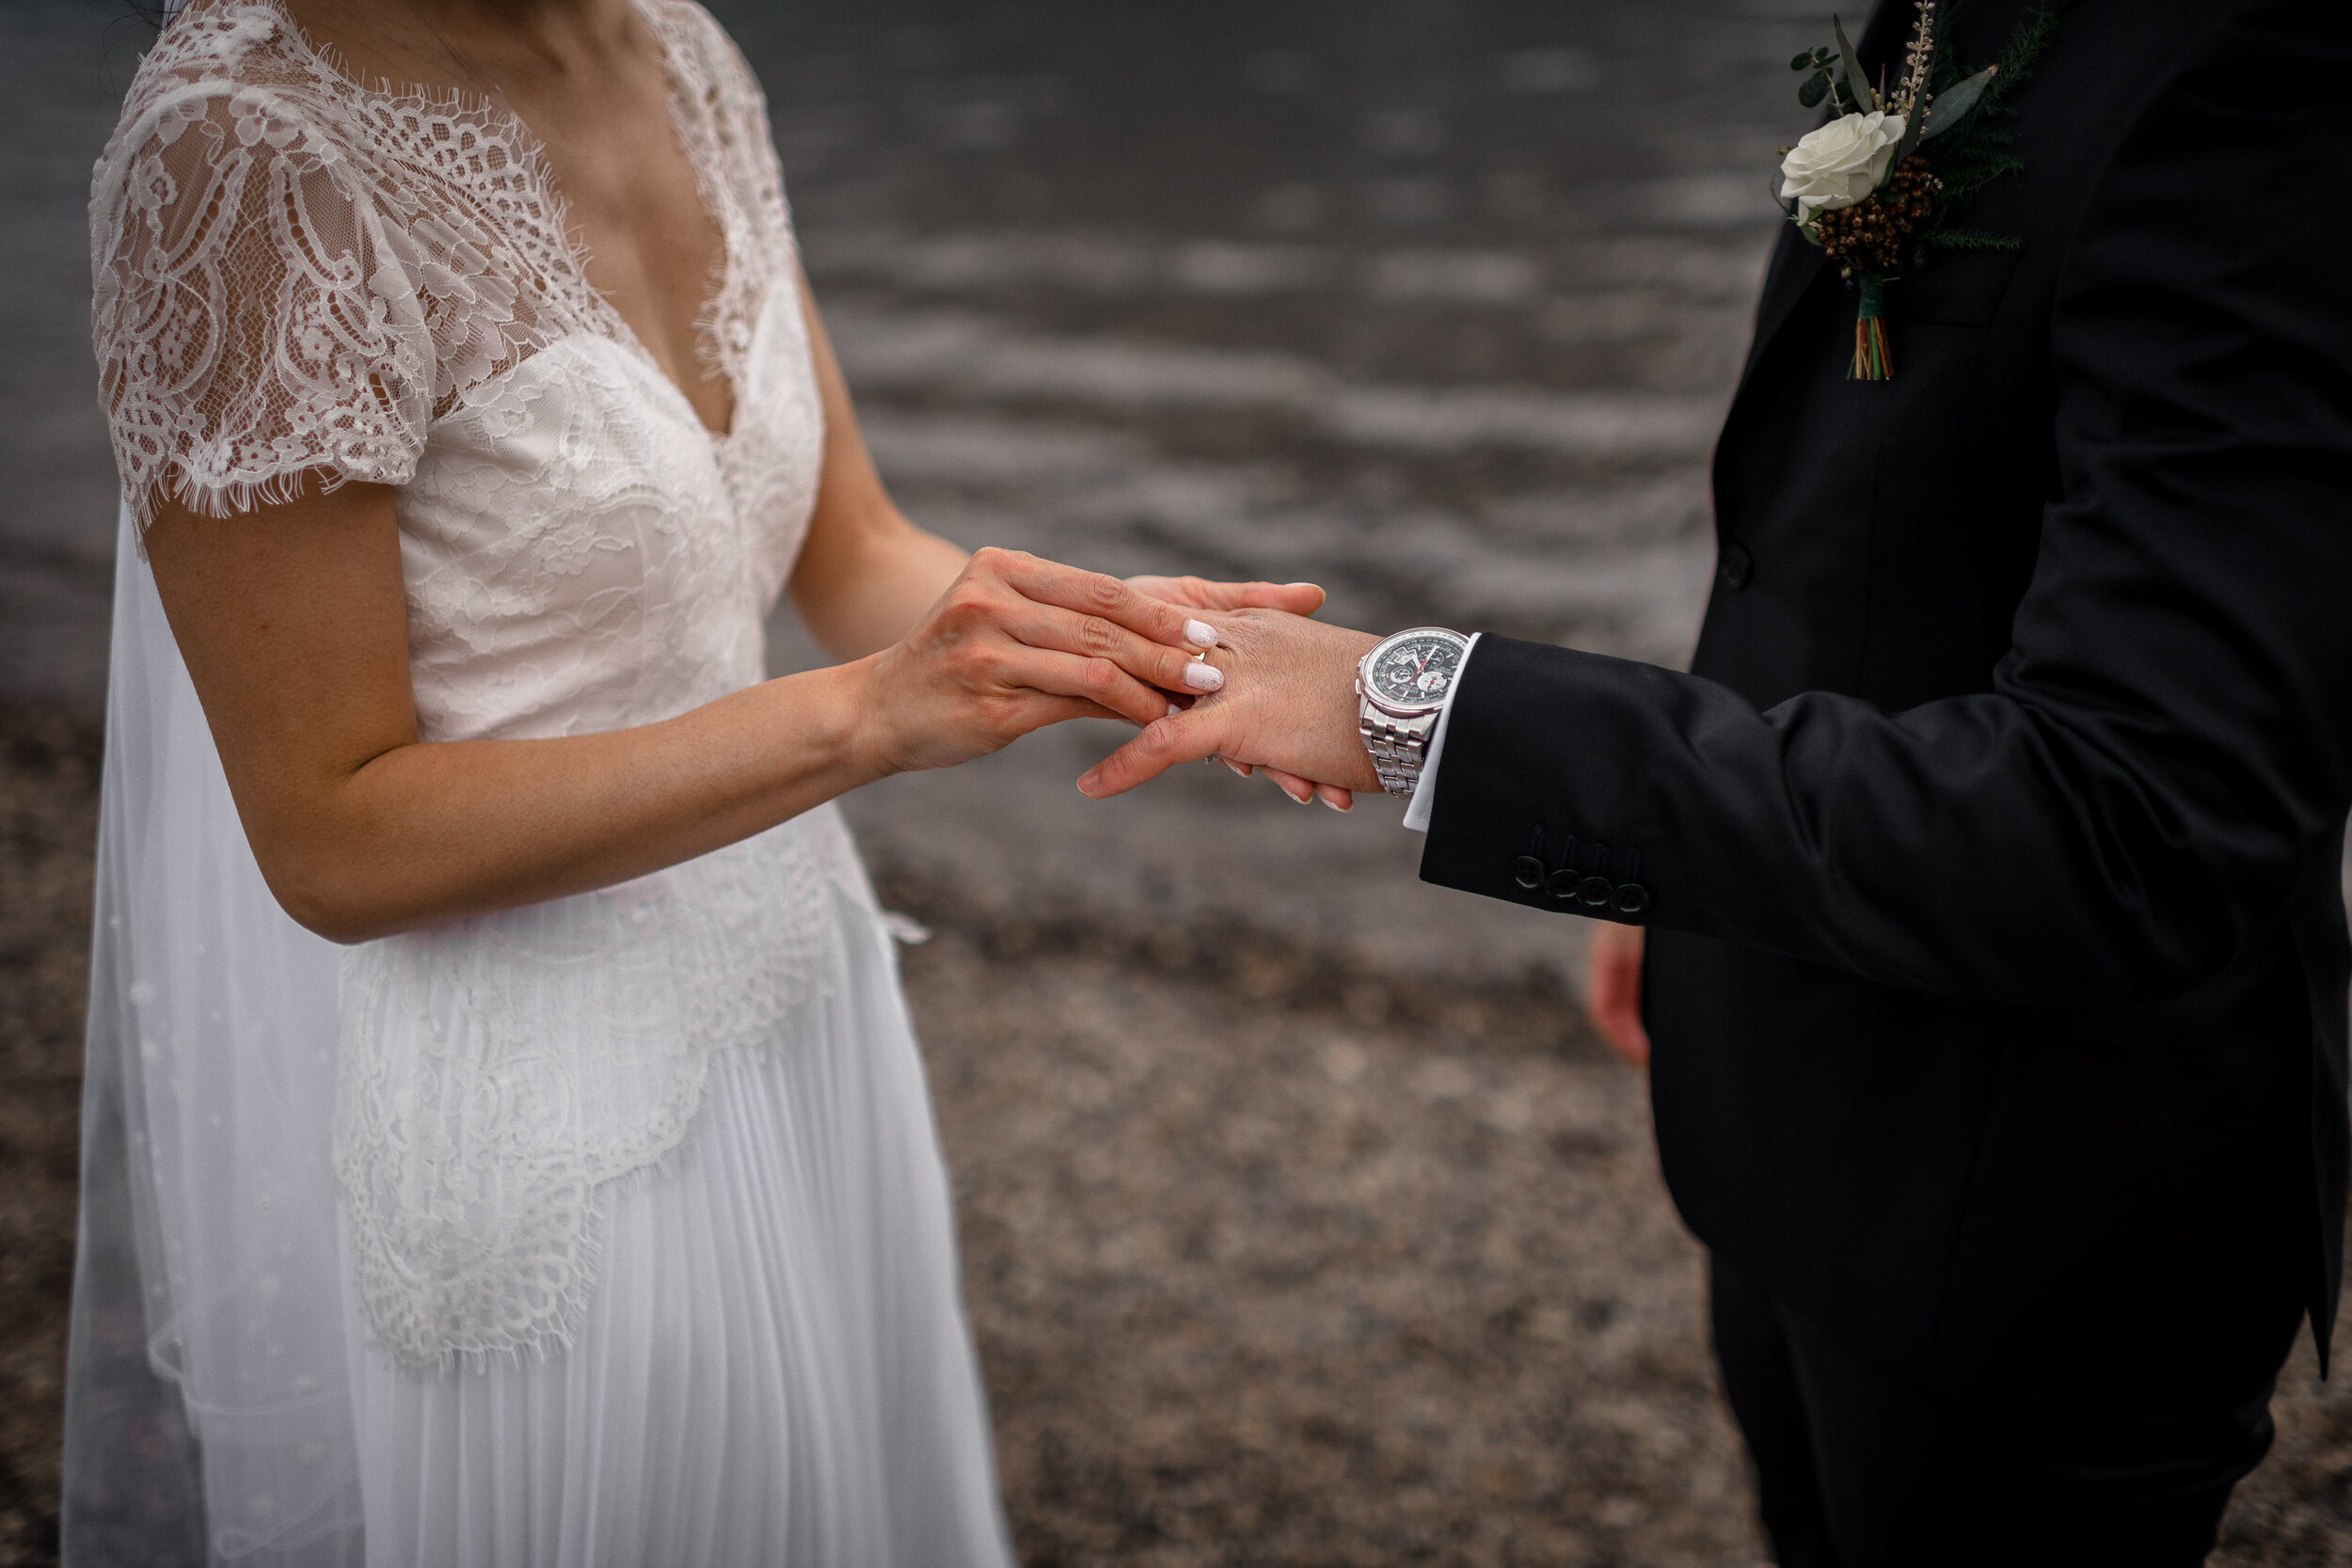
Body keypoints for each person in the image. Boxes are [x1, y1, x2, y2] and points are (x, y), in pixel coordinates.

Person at [1079, 0, 2352, 1561]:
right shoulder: (1951, 8)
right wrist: (1672, 881)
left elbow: (2135, 826)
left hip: (2034, 1205)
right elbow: (1874, 525)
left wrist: (1420, 710)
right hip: (1786, 1068)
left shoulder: (2259, 79)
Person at [61, 1, 1312, 1562]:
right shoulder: (239, 159)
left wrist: (1183, 657)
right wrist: (864, 719)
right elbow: (332, 837)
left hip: (801, 1000)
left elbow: (847, 551)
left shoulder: (679, 52)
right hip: (538, 1124)